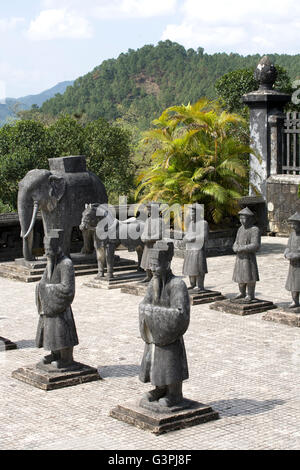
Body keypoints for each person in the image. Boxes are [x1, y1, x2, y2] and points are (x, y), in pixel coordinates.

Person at [139, 240, 190, 408]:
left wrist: (152, 313)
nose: (153, 269)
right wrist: (147, 312)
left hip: (170, 337)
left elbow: (180, 314)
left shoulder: (177, 285)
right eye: (151, 265)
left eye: (156, 265)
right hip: (155, 334)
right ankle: (160, 387)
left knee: (169, 360)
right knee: (155, 361)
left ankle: (175, 393)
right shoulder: (152, 283)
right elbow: (144, 305)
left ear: (167, 263)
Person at [35, 229, 79, 369]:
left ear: (57, 247)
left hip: (61, 308)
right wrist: (41, 288)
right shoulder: (50, 262)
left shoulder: (66, 264)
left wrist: (46, 290)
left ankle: (66, 358)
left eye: (49, 249)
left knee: (61, 330)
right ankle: (54, 354)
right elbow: (43, 282)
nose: (46, 252)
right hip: (50, 306)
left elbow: (68, 289)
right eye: (45, 248)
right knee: (50, 330)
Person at [232, 207, 260, 302]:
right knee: (240, 276)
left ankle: (250, 294)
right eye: (241, 218)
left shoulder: (254, 229)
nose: (242, 221)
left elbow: (256, 245)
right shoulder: (240, 229)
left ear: (250, 219)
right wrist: (235, 246)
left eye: (245, 218)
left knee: (250, 277)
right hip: (240, 257)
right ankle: (241, 292)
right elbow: (236, 241)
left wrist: (242, 248)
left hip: (249, 258)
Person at [182, 203, 208, 291]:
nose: (191, 215)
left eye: (193, 213)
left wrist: (192, 238)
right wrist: (185, 238)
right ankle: (192, 284)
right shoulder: (190, 224)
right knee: (190, 267)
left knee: (198, 268)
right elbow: (187, 234)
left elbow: (204, 237)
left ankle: (199, 285)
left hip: (198, 249)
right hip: (190, 249)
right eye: (190, 213)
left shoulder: (203, 223)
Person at [140, 202, 165, 283]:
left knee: (154, 263)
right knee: (146, 261)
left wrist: (150, 238)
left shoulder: (160, 221)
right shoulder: (148, 220)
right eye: (148, 210)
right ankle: (148, 276)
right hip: (148, 245)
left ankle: (155, 277)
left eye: (150, 209)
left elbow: (160, 234)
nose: (149, 211)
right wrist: (143, 237)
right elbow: (144, 232)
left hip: (155, 245)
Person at [284, 211, 300, 309]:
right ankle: (295, 301)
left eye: (295, 224)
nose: (293, 226)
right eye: (292, 224)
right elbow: (288, 246)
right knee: (294, 284)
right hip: (293, 264)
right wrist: (286, 253)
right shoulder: (292, 235)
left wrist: (296, 255)